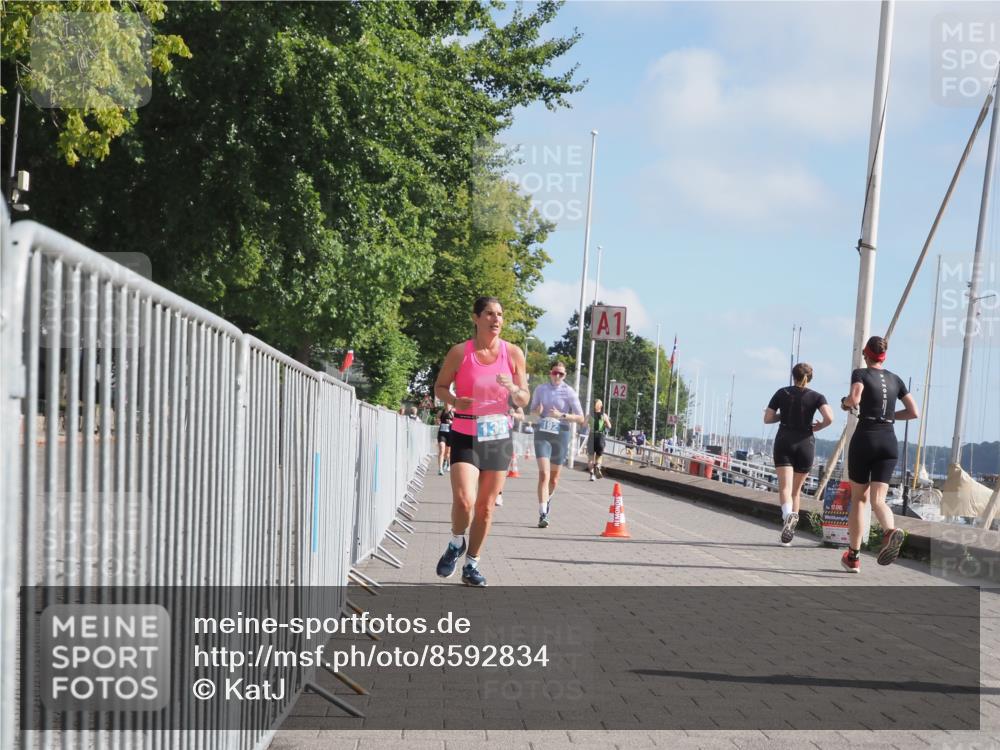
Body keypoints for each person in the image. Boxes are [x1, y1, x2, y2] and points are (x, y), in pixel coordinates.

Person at [433, 297, 529, 587]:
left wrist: (513, 387)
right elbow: (439, 386)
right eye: (489, 314)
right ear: (476, 318)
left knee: (486, 508)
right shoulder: (460, 352)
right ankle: (455, 542)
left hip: (498, 435)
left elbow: (525, 397)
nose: (495, 319)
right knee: (464, 501)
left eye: (499, 314)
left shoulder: (513, 354)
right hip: (465, 431)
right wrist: (453, 400)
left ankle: (472, 564)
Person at [838, 336, 919, 573]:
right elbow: (914, 412)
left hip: (866, 438)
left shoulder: (860, 374)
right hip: (888, 441)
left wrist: (845, 403)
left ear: (866, 354)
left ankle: (853, 557)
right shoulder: (897, 379)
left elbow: (854, 398)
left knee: (859, 499)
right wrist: (892, 416)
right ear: (884, 355)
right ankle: (890, 531)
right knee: (879, 500)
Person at [764, 363, 834, 546]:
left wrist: (784, 415)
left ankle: (787, 517)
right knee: (796, 491)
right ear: (810, 378)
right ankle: (789, 533)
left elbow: (768, 418)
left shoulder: (782, 393)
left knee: (785, 488)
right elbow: (830, 418)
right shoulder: (817, 396)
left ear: (792, 375)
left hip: (784, 440)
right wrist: (820, 426)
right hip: (806, 443)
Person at [529, 361, 585, 528]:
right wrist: (536, 412)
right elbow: (532, 414)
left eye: (561, 374)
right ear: (550, 373)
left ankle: (547, 500)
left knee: (554, 478)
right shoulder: (540, 389)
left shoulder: (569, 392)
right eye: (555, 373)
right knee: (544, 475)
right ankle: (543, 513)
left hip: (561, 432)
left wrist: (562, 415)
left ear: (565, 375)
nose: (557, 376)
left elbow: (581, 417)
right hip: (543, 432)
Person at [588, 400, 612, 481]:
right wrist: (605, 424)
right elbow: (609, 426)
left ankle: (592, 475)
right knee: (599, 456)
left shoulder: (589, 415)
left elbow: (584, 425)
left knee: (591, 458)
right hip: (600, 436)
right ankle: (598, 466)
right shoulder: (604, 415)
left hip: (592, 435)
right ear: (601, 406)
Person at [436, 404, 455, 475]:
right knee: (441, 450)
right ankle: (440, 469)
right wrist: (438, 422)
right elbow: (437, 421)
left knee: (447, 453)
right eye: (445, 403)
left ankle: (447, 462)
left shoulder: (453, 412)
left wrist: (452, 423)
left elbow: (458, 423)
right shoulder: (441, 412)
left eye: (448, 404)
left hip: (450, 434)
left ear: (450, 405)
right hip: (442, 434)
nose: (447, 405)